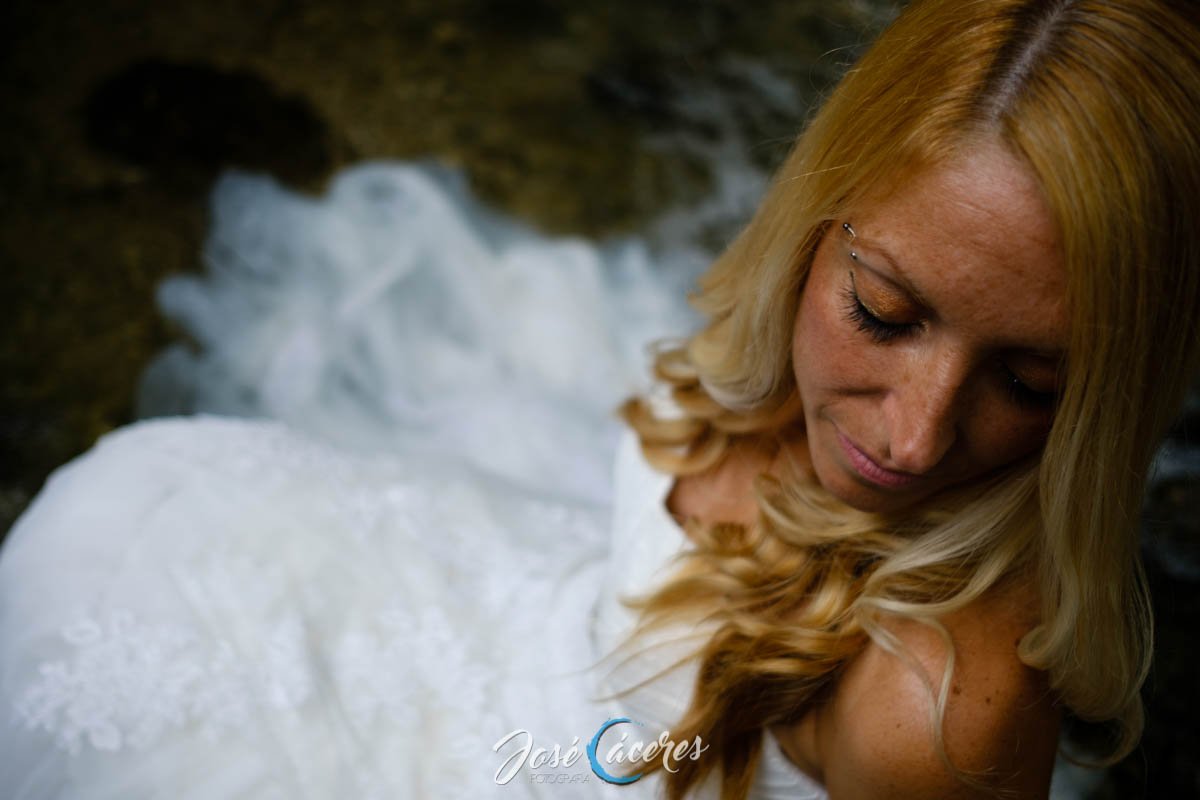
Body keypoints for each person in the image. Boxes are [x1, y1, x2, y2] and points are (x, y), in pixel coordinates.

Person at [1, 1, 1198, 799]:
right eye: (883, 311)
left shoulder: (943, 708)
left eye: (1034, 383)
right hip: (520, 632)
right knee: (132, 522)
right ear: (820, 208)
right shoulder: (784, 343)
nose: (915, 433)